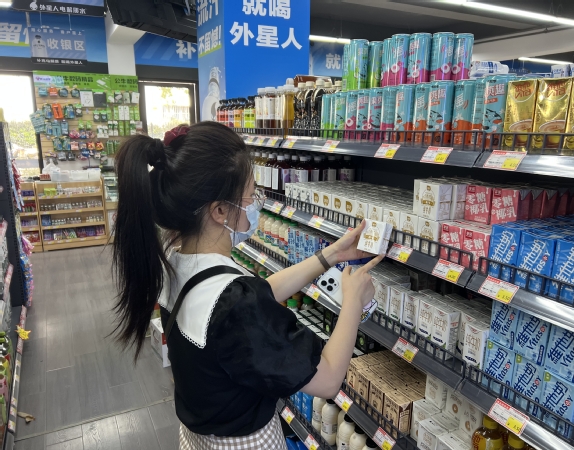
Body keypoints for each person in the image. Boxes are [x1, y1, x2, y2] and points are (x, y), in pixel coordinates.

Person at [111, 122, 382, 449]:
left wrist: (329, 255)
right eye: (251, 194)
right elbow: (327, 380)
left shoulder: (177, 262)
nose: (256, 202)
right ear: (219, 210)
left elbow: (256, 293)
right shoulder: (236, 303)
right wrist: (352, 301)